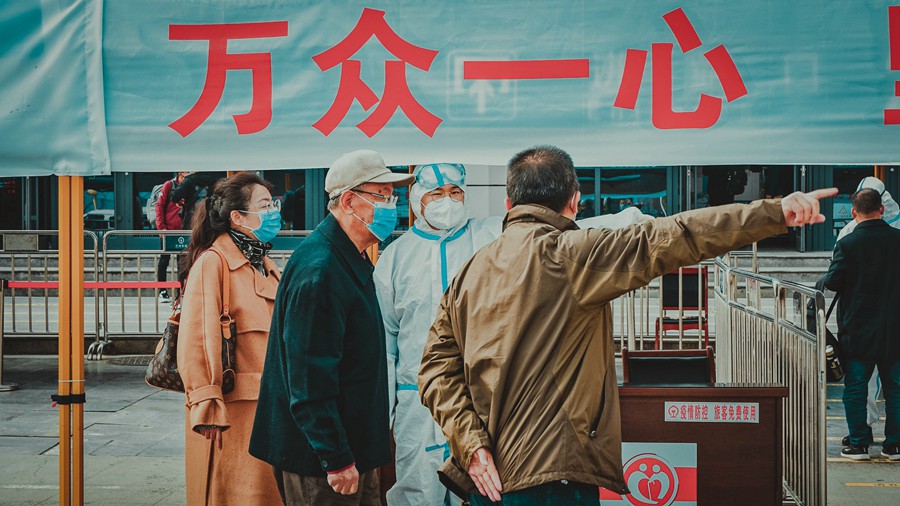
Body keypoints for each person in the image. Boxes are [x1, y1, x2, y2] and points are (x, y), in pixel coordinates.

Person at [418, 145, 836, 504]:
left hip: (486, 475)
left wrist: (472, 445)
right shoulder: (571, 254)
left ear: (509, 204)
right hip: (553, 474)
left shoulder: (469, 273)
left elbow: (435, 370)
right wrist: (775, 212)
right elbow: (678, 235)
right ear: (574, 202)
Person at [374, 163, 650, 505]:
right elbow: (385, 345)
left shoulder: (491, 235)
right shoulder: (396, 258)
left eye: (455, 192)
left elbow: (569, 236)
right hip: (418, 401)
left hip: (484, 399)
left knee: (486, 485)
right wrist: (381, 418)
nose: (448, 201)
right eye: (437, 194)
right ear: (417, 199)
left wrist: (629, 222)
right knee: (418, 491)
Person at [250, 150, 414, 505]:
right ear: (350, 201)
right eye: (383, 195)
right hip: (323, 462)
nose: (393, 205)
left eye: (394, 196)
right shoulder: (321, 270)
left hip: (350, 449)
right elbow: (309, 381)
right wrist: (336, 457)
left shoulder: (347, 255)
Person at [176, 172, 284, 505]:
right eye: (265, 205)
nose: (274, 212)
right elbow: (197, 338)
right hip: (232, 416)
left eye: (274, 204)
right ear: (237, 217)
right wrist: (207, 406)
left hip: (268, 410)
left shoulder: (263, 262)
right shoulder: (214, 261)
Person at [822, 188, 900, 461]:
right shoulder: (898, 240)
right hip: (894, 330)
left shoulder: (848, 244)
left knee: (855, 388)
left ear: (853, 213)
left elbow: (833, 282)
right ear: (882, 209)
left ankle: (858, 444)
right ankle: (894, 445)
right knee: (895, 390)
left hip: (858, 331)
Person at [155, 171, 189, 304]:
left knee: (182, 263)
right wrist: (161, 227)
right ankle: (162, 291)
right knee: (164, 260)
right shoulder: (169, 185)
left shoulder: (190, 186)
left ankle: (180, 292)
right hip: (168, 230)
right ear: (180, 171)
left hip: (183, 230)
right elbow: (159, 206)